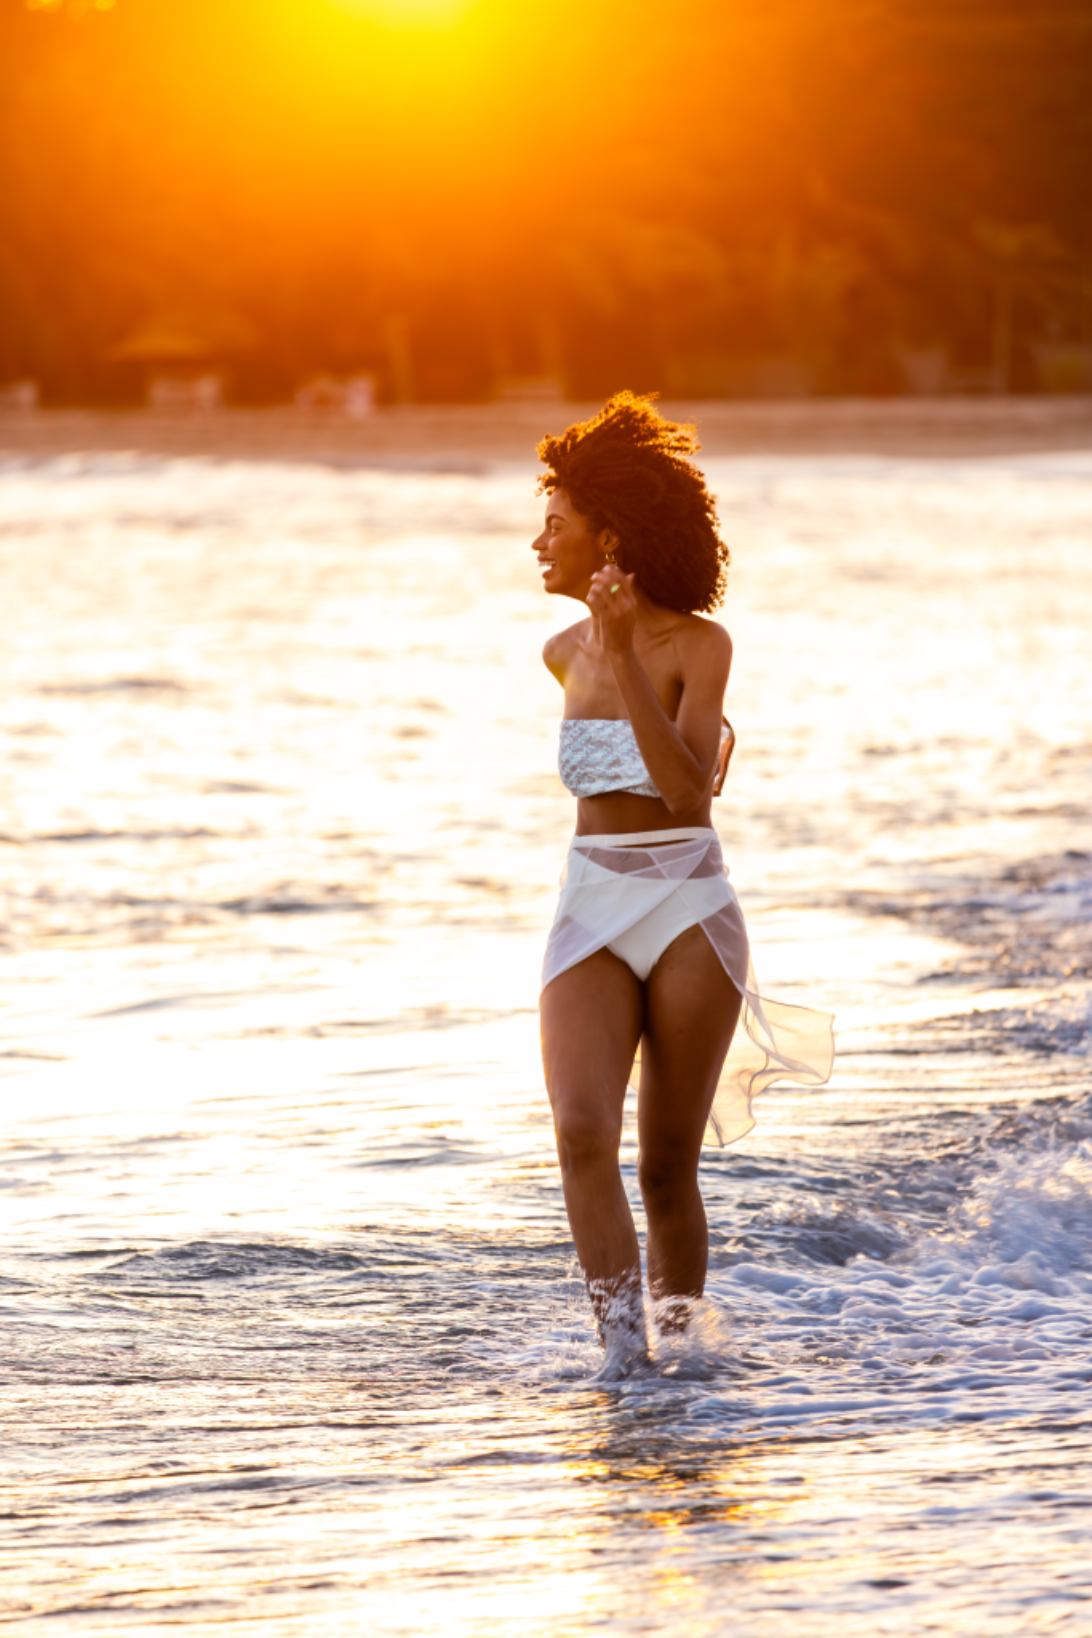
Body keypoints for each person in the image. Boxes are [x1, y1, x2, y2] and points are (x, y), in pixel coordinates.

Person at [534, 392, 833, 1371]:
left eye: (557, 523)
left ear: (606, 536)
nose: (540, 540)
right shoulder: (556, 652)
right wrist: (602, 652)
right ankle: (625, 1367)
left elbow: (687, 797)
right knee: (582, 1134)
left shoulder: (701, 648)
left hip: (687, 906)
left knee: (665, 1165)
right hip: (591, 904)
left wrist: (624, 658)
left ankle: (680, 1359)